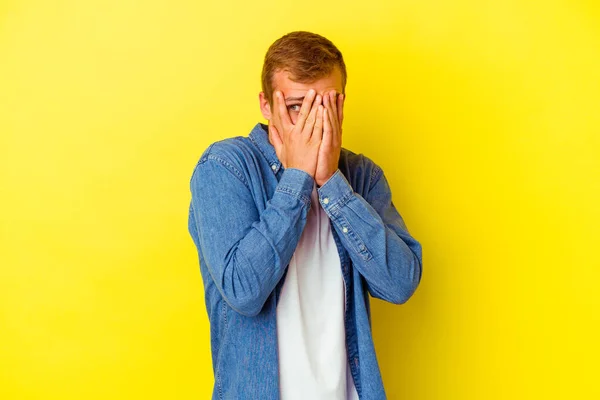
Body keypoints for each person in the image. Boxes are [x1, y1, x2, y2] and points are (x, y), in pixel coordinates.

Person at [187, 30, 423, 400]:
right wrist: (297, 179)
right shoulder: (225, 167)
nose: (314, 121)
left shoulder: (361, 175)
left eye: (325, 105)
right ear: (267, 105)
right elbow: (243, 291)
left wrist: (330, 181)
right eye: (298, 106)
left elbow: (400, 284)